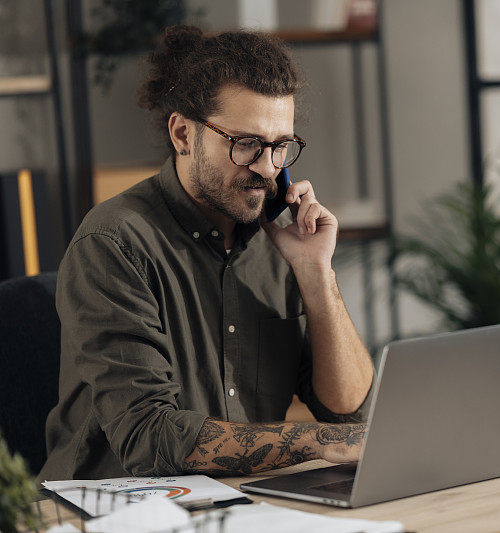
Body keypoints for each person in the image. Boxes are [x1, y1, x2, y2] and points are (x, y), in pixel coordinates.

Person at [38, 25, 374, 480]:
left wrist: (317, 273)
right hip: (118, 508)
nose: (266, 168)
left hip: (243, 499)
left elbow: (346, 410)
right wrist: (322, 443)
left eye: (280, 147)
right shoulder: (113, 244)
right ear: (182, 135)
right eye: (246, 144)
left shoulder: (282, 239)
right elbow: (150, 437)